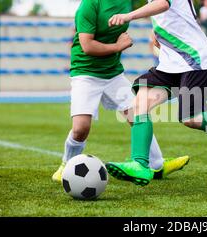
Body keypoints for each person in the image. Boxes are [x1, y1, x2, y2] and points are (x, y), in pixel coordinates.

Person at [106, 0, 207, 186]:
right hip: (169, 63)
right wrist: (157, 31)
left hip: (195, 61)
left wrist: (129, 15)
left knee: (191, 119)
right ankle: (140, 164)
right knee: (140, 103)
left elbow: (163, 3)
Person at [51, 0, 189, 183]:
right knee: (80, 129)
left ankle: (157, 166)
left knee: (138, 115)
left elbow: (154, 8)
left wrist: (156, 33)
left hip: (113, 73)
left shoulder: (126, 2)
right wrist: (117, 47)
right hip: (85, 73)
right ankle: (65, 165)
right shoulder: (90, 5)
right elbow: (87, 46)